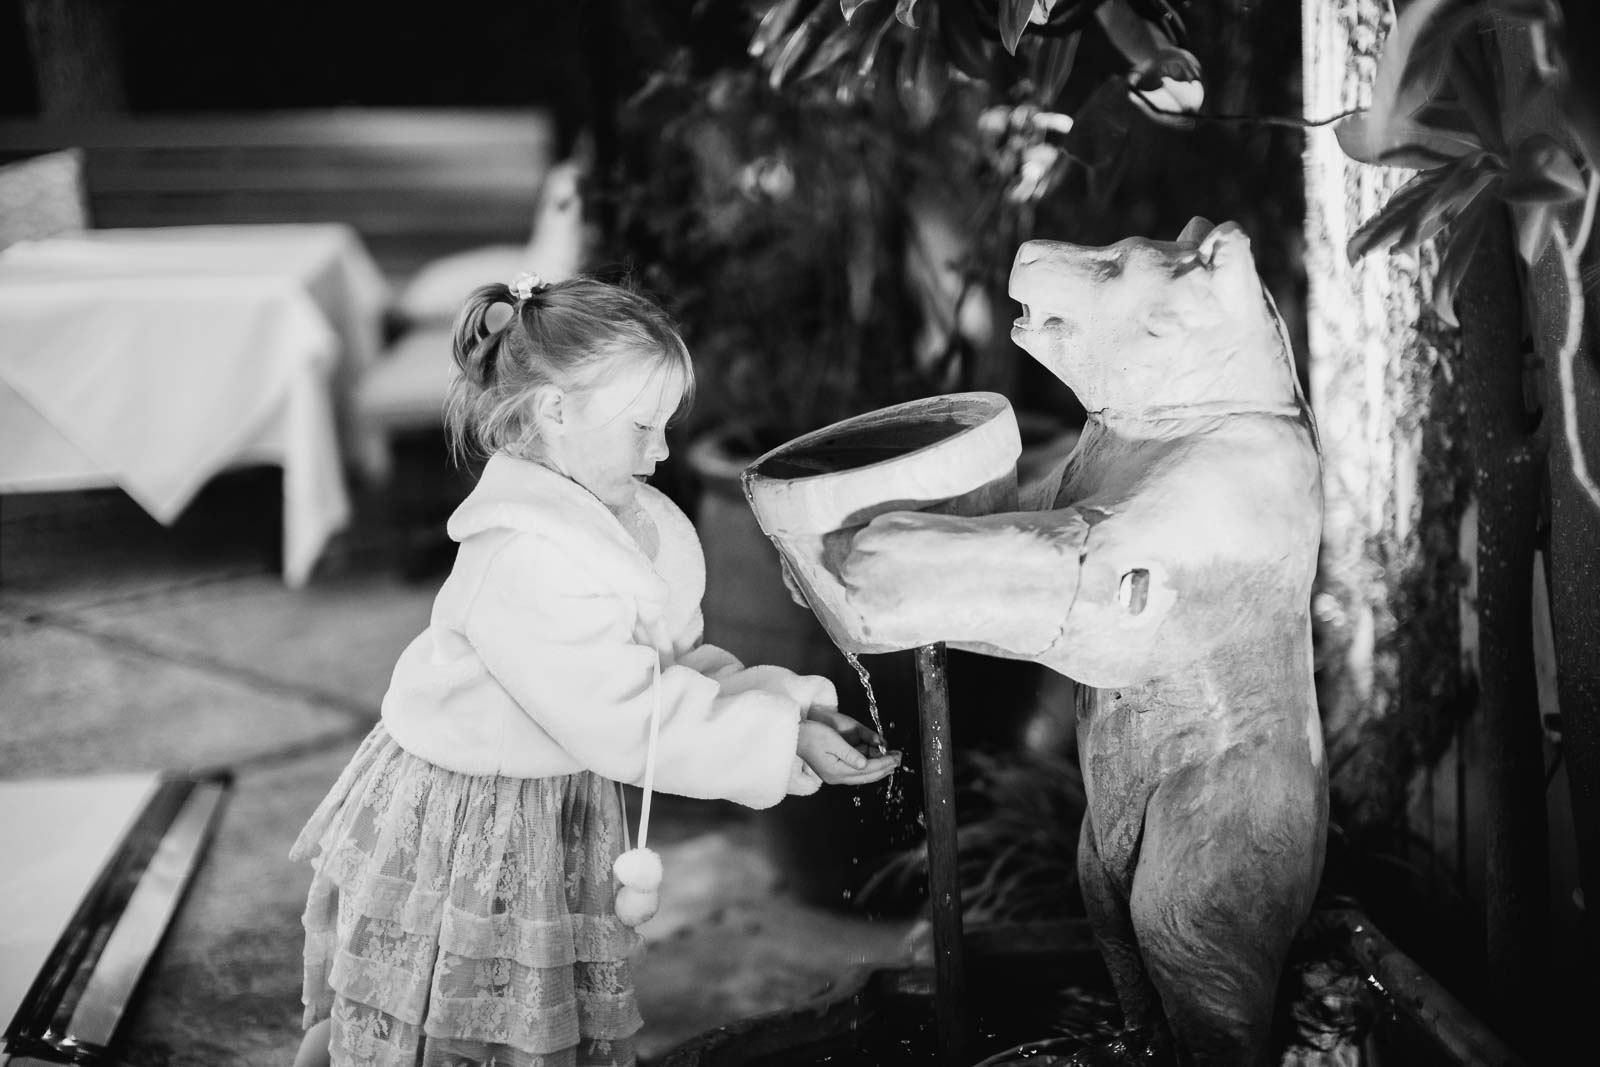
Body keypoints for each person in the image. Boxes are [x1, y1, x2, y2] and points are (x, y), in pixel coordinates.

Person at [289, 272, 899, 1067]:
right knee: (441, 1004)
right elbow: (626, 717)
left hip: (551, 798)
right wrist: (774, 740)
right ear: (554, 410)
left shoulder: (633, 524)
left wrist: (789, 715)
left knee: (510, 1011)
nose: (665, 448)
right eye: (644, 425)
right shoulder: (526, 557)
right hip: (479, 813)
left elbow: (670, 670)